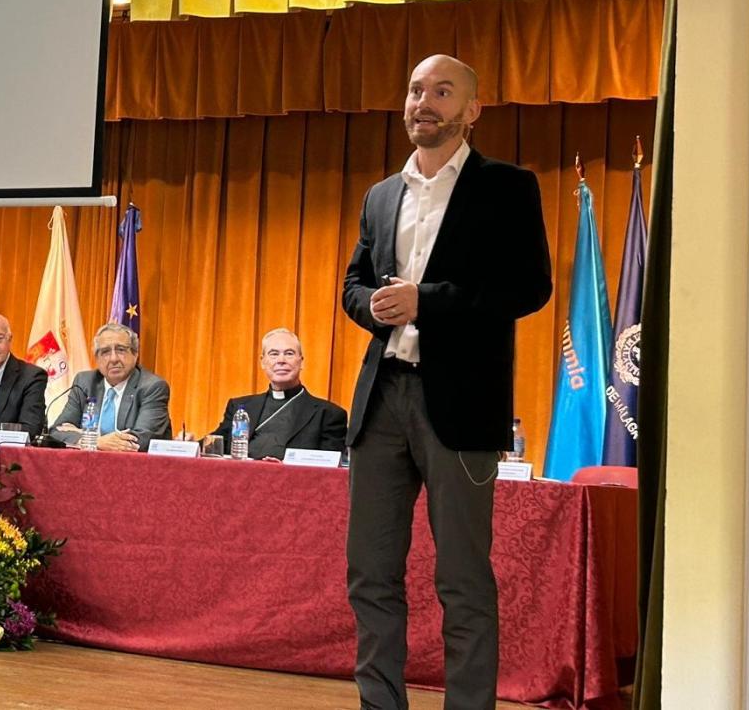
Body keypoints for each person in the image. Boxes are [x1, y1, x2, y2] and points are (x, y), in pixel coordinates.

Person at [341, 54, 552, 710]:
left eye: (441, 91)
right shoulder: (381, 195)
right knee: (370, 575)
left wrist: (425, 302)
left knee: (462, 579)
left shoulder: (508, 188)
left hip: (461, 407)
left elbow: (529, 287)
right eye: (414, 90)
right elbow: (353, 283)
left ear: (471, 110)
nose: (422, 102)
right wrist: (371, 305)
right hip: (381, 403)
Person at [209, 328, 347, 459]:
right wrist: (189, 443)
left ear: (301, 362)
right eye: (274, 354)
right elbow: (214, 445)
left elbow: (329, 472)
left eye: (289, 353)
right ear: (263, 362)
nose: (281, 360)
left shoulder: (329, 414)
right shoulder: (239, 407)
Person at [50, 322, 171, 451]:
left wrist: (86, 437)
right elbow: (57, 432)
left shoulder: (152, 387)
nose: (113, 359)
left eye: (121, 350)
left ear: (135, 354)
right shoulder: (84, 382)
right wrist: (97, 441)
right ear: (97, 358)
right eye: (105, 352)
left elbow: (142, 439)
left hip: (134, 468)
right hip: (87, 466)